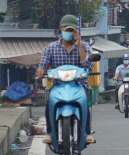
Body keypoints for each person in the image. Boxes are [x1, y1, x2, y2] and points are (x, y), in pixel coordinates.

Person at [36, 15, 95, 144]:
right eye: (66, 30)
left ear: (76, 32)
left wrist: (79, 46)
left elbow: (88, 65)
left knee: (84, 102)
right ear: (60, 29)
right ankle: (50, 133)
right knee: (49, 103)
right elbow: (43, 63)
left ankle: (87, 132)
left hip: (79, 85)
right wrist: (41, 69)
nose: (69, 33)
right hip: (58, 85)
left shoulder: (84, 46)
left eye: (71, 30)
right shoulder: (51, 48)